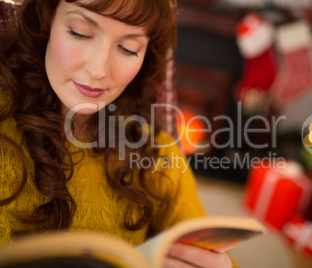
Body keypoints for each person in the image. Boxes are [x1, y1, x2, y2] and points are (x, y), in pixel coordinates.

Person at [0, 0, 235, 267]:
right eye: (79, 32)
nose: (99, 70)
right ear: (46, 22)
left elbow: (208, 247)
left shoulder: (157, 151)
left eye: (128, 48)